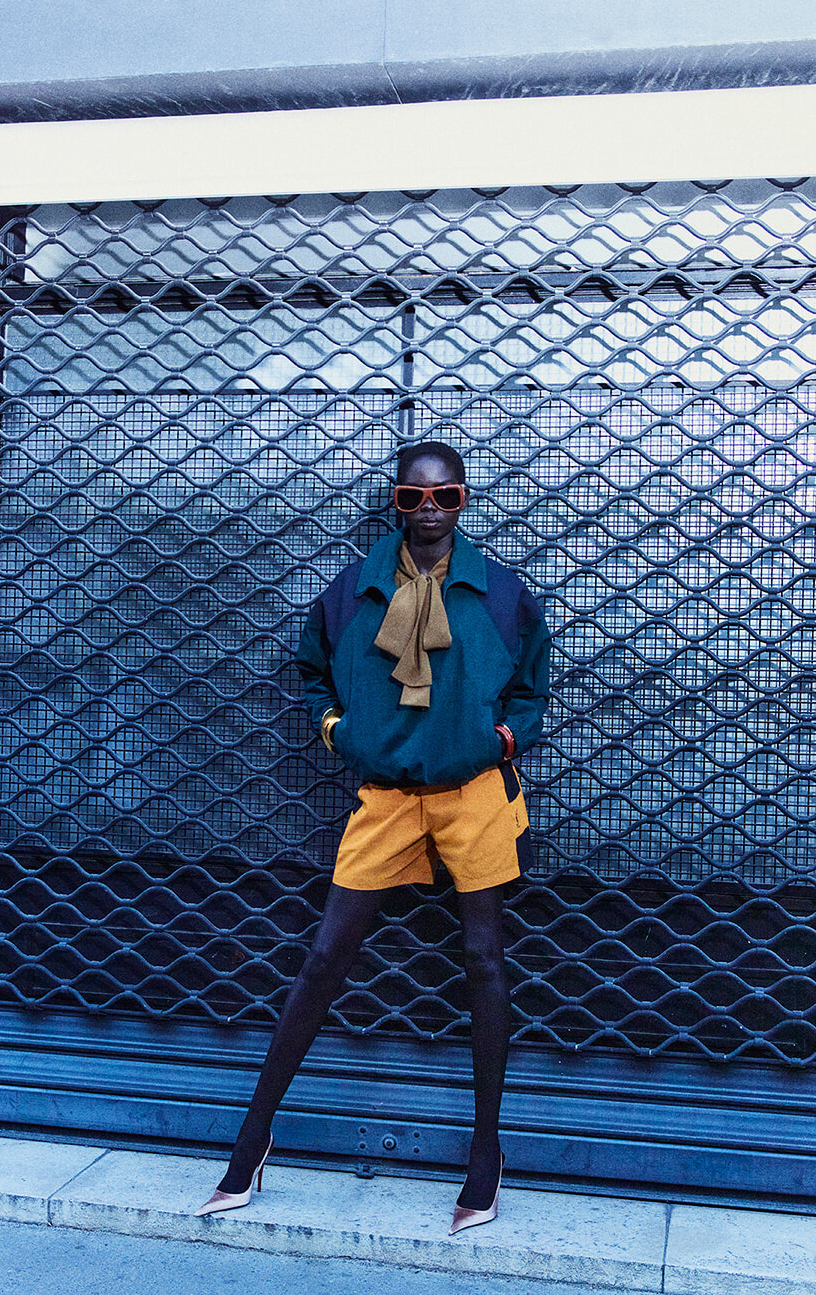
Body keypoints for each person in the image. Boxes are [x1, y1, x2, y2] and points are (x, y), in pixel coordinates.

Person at [195, 441, 551, 1234]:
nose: (429, 512)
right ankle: (253, 1140)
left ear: (464, 501)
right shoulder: (353, 592)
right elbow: (312, 668)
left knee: (484, 961)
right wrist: (335, 727)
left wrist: (500, 739)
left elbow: (532, 683)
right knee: (325, 959)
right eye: (413, 498)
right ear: (394, 503)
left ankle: (486, 1154)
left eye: (445, 497)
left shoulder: (498, 594)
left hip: (473, 795)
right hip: (386, 797)